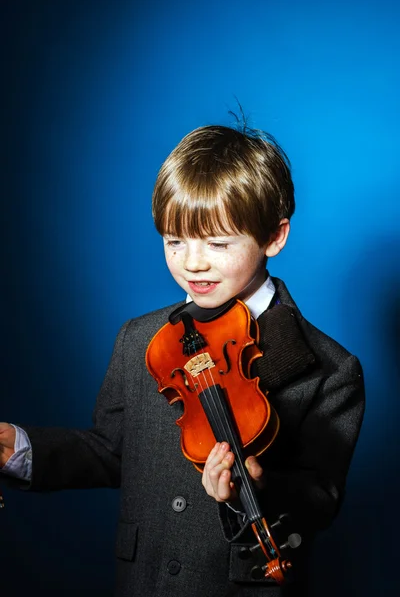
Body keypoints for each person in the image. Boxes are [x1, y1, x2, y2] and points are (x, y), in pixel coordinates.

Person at [0, 124, 365, 596]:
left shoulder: (331, 368)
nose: (192, 263)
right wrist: (20, 448)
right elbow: (111, 452)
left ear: (274, 237)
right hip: (143, 581)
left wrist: (259, 484)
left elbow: (321, 498)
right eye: (174, 241)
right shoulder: (141, 340)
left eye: (217, 243)